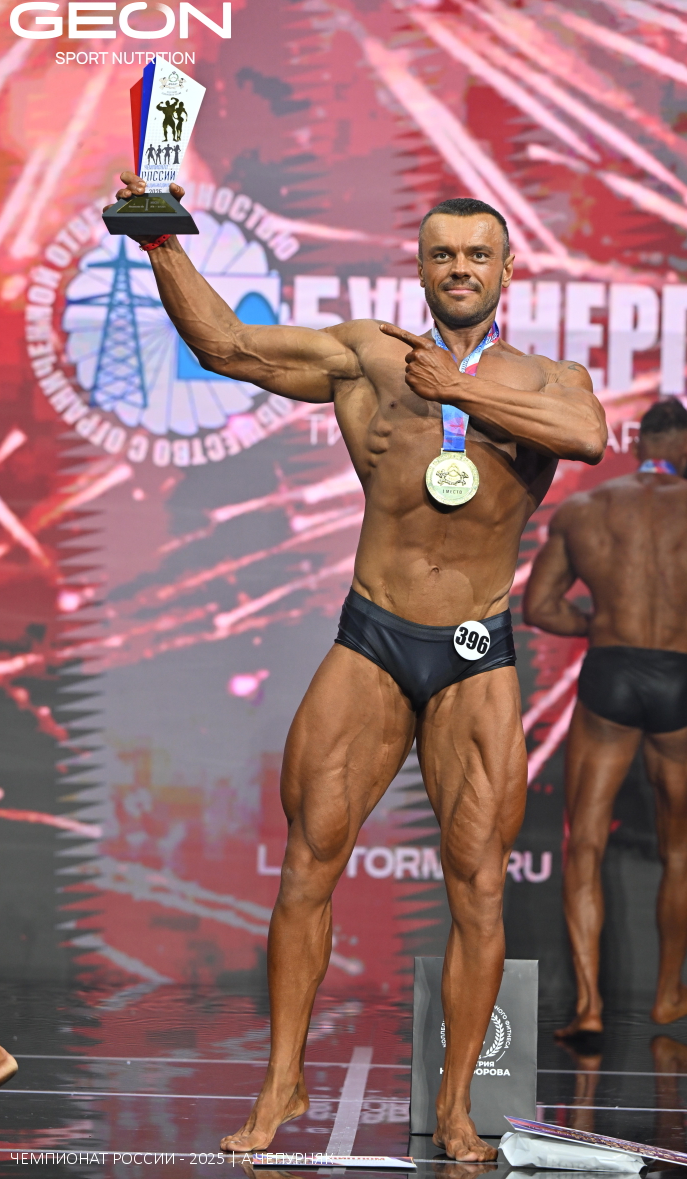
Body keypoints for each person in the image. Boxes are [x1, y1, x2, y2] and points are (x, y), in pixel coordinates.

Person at [109, 171, 607, 1159]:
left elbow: (588, 439)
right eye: (442, 254)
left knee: (477, 886)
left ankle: (456, 1109)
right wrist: (160, 239)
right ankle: (282, 1083)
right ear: (418, 269)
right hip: (374, 634)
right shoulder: (368, 356)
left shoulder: (551, 381)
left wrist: (457, 390)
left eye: (477, 255)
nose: (459, 268)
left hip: (474, 651)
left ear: (507, 270)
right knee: (308, 862)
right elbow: (227, 346)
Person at [523, 398, 687, 1036]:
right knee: (679, 849)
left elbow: (540, 608)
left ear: (638, 447)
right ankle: (668, 995)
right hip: (680, 679)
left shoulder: (585, 511)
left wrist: (602, 626)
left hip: (610, 672)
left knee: (585, 844)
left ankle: (589, 1009)